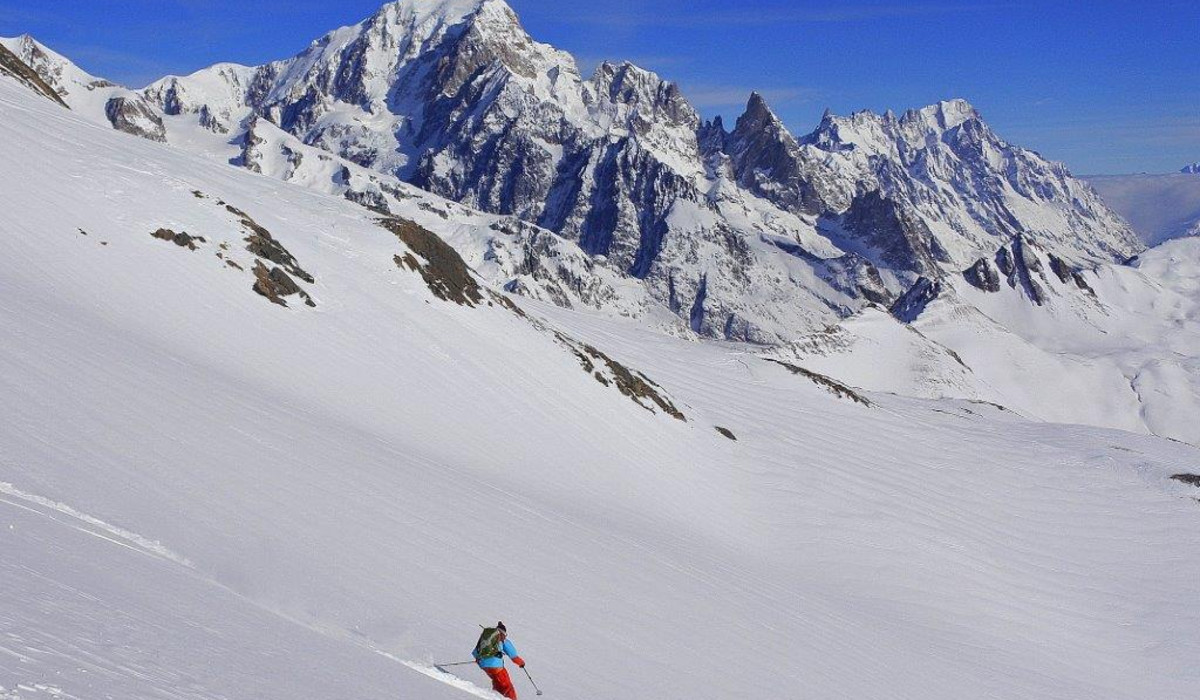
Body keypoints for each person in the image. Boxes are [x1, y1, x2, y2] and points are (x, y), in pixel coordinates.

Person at [473, 621, 525, 700]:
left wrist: (479, 660)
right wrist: (521, 663)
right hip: (496, 667)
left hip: (483, 666)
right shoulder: (502, 639)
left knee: (497, 681)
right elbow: (513, 656)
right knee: (507, 686)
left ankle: (496, 696)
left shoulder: (486, 638)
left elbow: (475, 652)